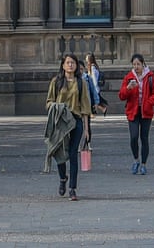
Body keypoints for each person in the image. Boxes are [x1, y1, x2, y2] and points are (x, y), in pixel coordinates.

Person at [45, 53, 94, 201]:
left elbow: (86, 107)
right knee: (58, 152)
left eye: (73, 62)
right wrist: (57, 107)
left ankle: (72, 188)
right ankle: (62, 178)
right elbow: (48, 102)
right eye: (68, 62)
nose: (70, 65)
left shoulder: (81, 83)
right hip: (60, 122)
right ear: (63, 65)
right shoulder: (56, 81)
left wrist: (86, 129)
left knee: (73, 154)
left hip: (76, 121)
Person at [118, 53, 154, 176]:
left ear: (143, 64)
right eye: (134, 64)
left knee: (144, 138)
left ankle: (143, 164)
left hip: (146, 111)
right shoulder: (129, 77)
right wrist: (128, 88)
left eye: (138, 64)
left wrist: (149, 102)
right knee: (133, 137)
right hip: (133, 111)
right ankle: (136, 159)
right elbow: (121, 96)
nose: (136, 67)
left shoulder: (150, 77)